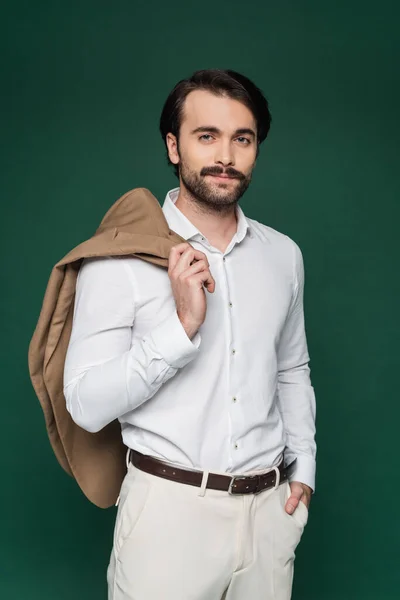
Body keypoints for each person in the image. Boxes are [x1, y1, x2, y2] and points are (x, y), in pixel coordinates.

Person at [63, 68, 317, 600]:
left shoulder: (283, 255)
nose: (225, 154)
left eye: (241, 139)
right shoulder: (120, 259)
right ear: (174, 146)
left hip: (269, 515)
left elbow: (291, 367)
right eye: (207, 136)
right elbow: (85, 405)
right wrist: (181, 329)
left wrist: (304, 468)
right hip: (168, 518)